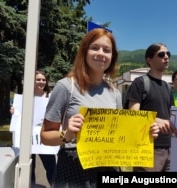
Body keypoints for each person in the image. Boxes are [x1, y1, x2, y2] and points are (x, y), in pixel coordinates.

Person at [40, 28, 160, 187]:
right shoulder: (66, 87)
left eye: (107, 50)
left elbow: (120, 136)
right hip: (73, 170)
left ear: (112, 57)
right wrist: (67, 134)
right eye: (95, 48)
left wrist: (145, 134)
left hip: (109, 168)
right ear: (84, 52)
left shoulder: (115, 93)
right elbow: (45, 136)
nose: (101, 53)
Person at [125, 43, 177, 172]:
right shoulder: (140, 83)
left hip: (170, 147)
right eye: (161, 54)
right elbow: (133, 114)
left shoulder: (167, 87)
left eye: (168, 54)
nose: (166, 57)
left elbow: (171, 114)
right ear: (149, 60)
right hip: (148, 148)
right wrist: (156, 120)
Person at [10, 70, 56, 187]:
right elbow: (19, 115)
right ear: (32, 81)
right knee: (30, 168)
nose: (41, 82)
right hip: (28, 139)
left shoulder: (51, 97)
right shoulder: (25, 98)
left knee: (52, 168)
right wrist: (14, 112)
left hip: (45, 138)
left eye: (43, 80)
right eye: (38, 79)